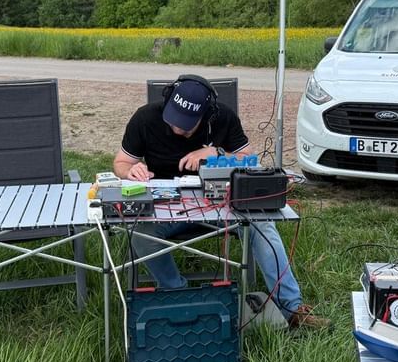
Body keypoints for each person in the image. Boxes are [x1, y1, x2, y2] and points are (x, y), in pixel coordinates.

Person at [113, 75, 329, 331]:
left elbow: (249, 159)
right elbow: (121, 163)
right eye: (173, 121)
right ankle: (179, 294)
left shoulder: (223, 117)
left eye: (186, 125)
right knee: (140, 232)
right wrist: (131, 170)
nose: (178, 129)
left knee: (263, 225)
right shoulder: (145, 117)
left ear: (207, 113)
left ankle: (292, 309)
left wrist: (215, 152)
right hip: (167, 208)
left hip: (222, 205)